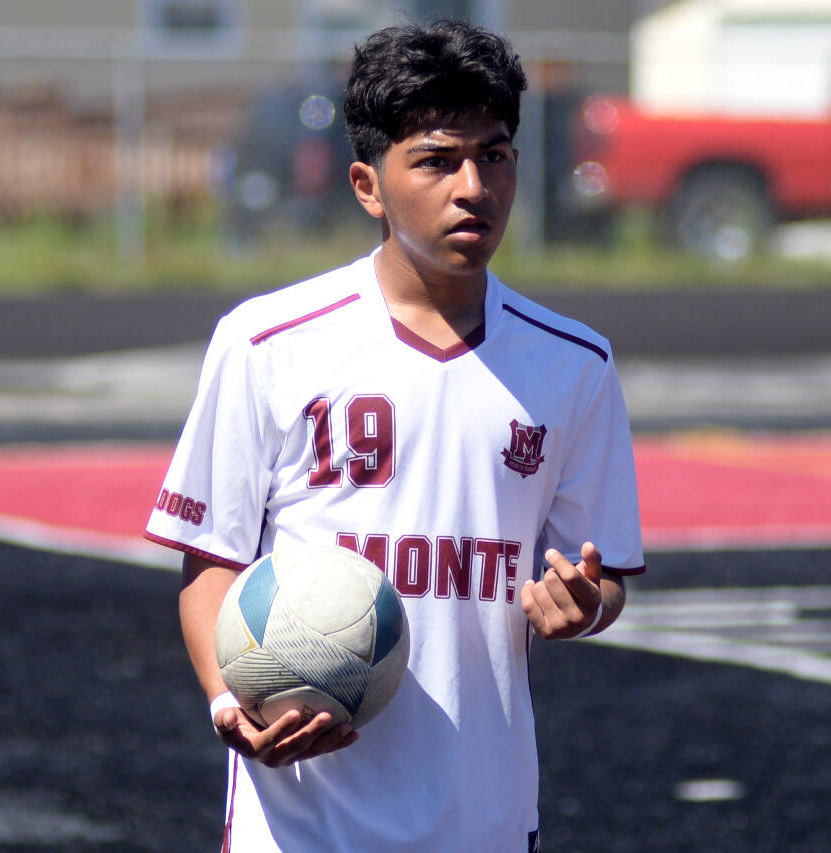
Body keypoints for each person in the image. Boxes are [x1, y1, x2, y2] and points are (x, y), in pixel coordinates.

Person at [145, 19, 644, 852]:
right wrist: (229, 705)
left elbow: (604, 577)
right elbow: (211, 561)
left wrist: (584, 608)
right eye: (437, 160)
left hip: (481, 815)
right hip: (302, 823)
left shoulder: (574, 364)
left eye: (495, 154)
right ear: (367, 185)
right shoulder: (266, 343)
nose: (473, 186)